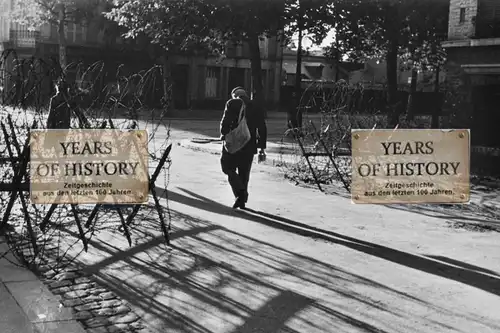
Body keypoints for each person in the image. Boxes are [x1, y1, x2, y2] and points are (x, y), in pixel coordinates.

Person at [220, 87, 267, 209]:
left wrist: (224, 135)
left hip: (233, 143)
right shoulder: (256, 106)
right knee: (244, 173)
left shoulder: (232, 103)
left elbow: (225, 122)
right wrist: (261, 146)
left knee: (227, 168)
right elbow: (262, 127)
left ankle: (240, 192)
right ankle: (241, 200)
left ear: (234, 95)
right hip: (249, 144)